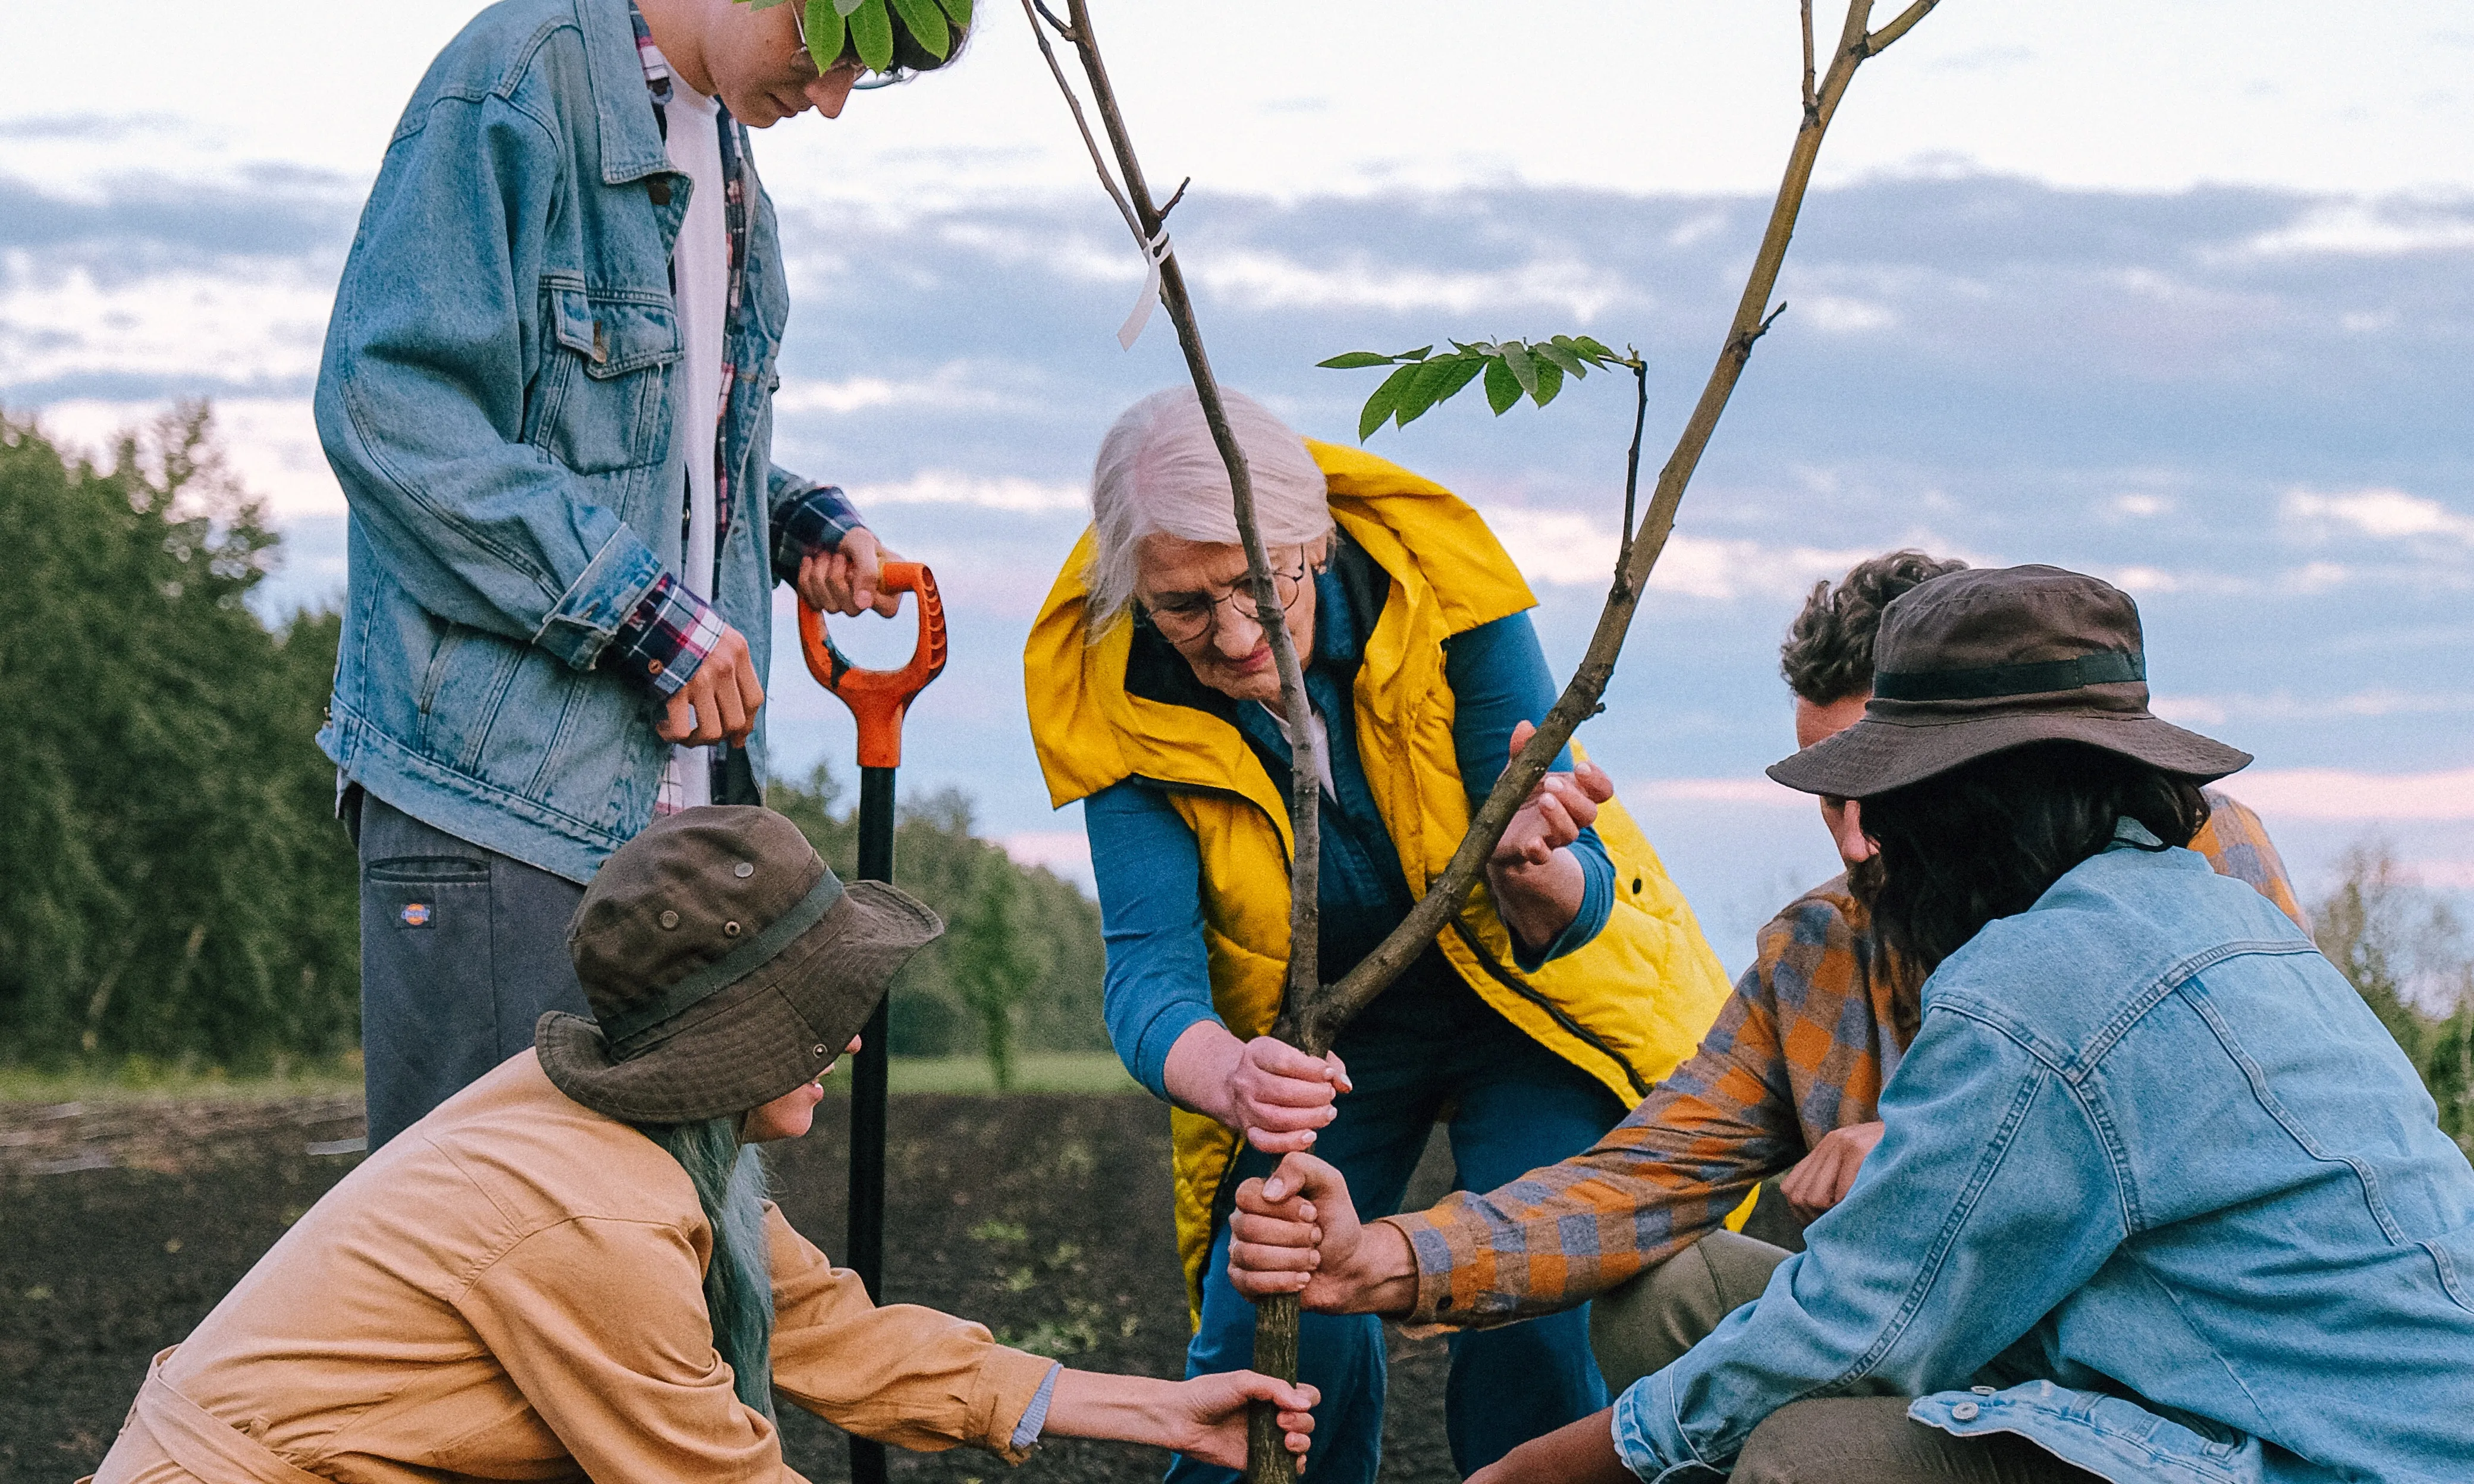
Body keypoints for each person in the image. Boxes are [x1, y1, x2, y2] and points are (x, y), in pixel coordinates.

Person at [1235, 565, 2474, 1483]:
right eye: (1839, 788)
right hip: (2075, 1356)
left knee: (1809, 1454)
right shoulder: (1828, 947)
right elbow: (1645, 1178)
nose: (1857, 834)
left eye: (1882, 789)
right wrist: (1388, 1257)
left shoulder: (2119, 931)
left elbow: (1862, 1325)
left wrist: (1540, 1470)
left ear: (1976, 795)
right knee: (1668, 1295)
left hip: (2269, 1430)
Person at [86, 806, 1318, 1484]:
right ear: (731, 1040)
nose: (848, 1049)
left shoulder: (661, 1144)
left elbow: (833, 1332)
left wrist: (1164, 1413)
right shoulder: (599, 1217)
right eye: (822, 1019)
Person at [1021, 387, 1737, 1482]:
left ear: (1316, 539)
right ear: (1133, 594)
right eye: (1183, 604)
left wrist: (1529, 872)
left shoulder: (1445, 585)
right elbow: (1148, 979)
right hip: (1314, 1043)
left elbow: (1580, 890)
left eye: (1262, 584)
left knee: (1537, 1306)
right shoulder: (1112, 690)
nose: (1234, 636)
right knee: (1278, 1305)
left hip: (1529, 1005)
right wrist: (1233, 1077)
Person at [315, 0, 934, 1147]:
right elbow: (392, 410)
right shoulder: (514, 85)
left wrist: (794, 523)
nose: (837, 98)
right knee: (495, 1243)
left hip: (676, 815)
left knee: (662, 1243)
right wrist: (648, 616)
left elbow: (653, 434)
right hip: (502, 808)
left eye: (875, 77)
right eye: (838, 46)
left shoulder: (725, 151)